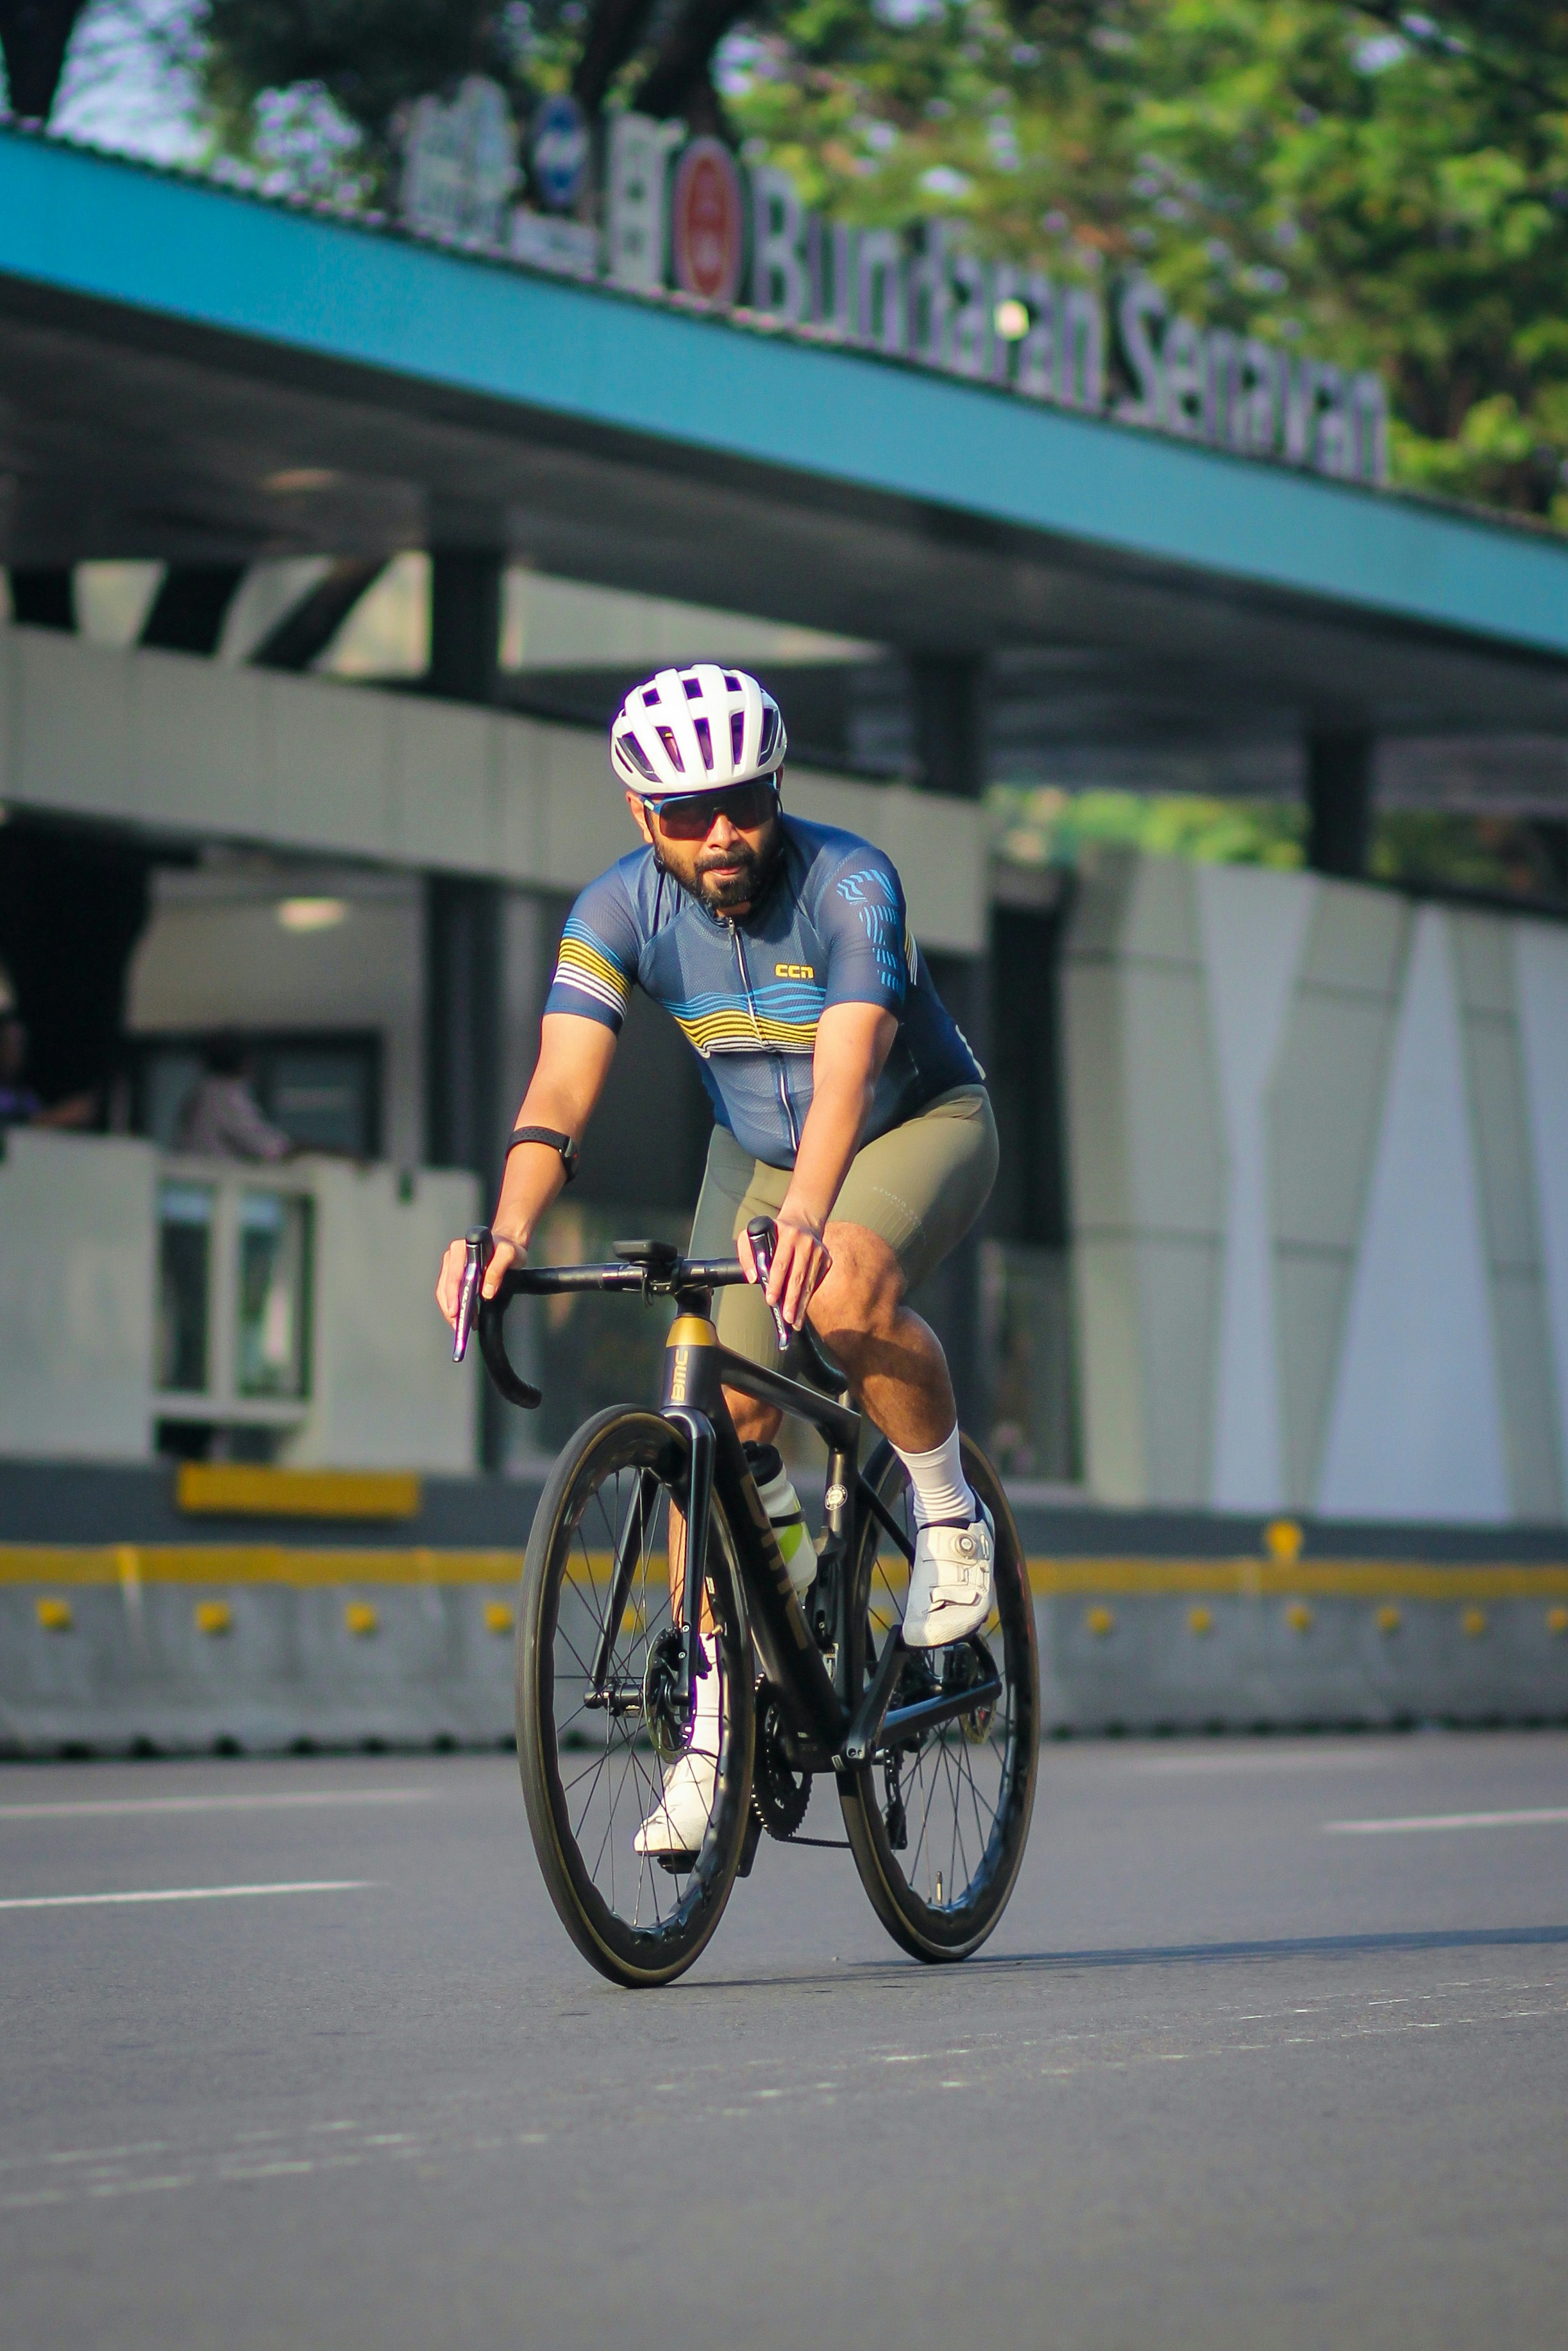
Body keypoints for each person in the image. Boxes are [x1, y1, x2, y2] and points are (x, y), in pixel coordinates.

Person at [435, 664, 999, 1853]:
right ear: (645, 818)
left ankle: (950, 1519)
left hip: (914, 1124)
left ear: (776, 784)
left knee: (840, 1288)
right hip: (750, 1160)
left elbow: (847, 1070)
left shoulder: (851, 882)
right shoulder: (614, 911)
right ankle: (719, 1715)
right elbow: (561, 1086)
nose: (725, 833)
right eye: (689, 815)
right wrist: (508, 1229)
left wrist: (810, 1214)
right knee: (714, 1418)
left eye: (743, 800)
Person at [174, 1033, 293, 1162]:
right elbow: (266, 1145)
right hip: (215, 1176)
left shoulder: (202, 1091)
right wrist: (306, 1151)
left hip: (195, 1173)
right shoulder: (226, 1095)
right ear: (245, 1061)